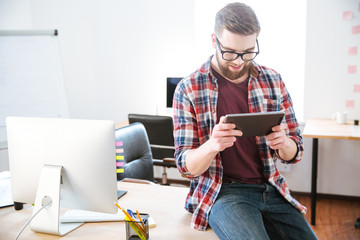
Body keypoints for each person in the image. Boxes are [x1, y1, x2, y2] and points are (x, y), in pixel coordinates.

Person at [173, 2, 317, 240]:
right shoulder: (188, 89)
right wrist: (213, 145)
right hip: (224, 192)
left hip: (272, 188)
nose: (239, 61)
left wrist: (284, 143)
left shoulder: (273, 80)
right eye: (229, 52)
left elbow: (296, 152)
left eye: (248, 52)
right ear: (213, 40)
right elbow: (185, 167)